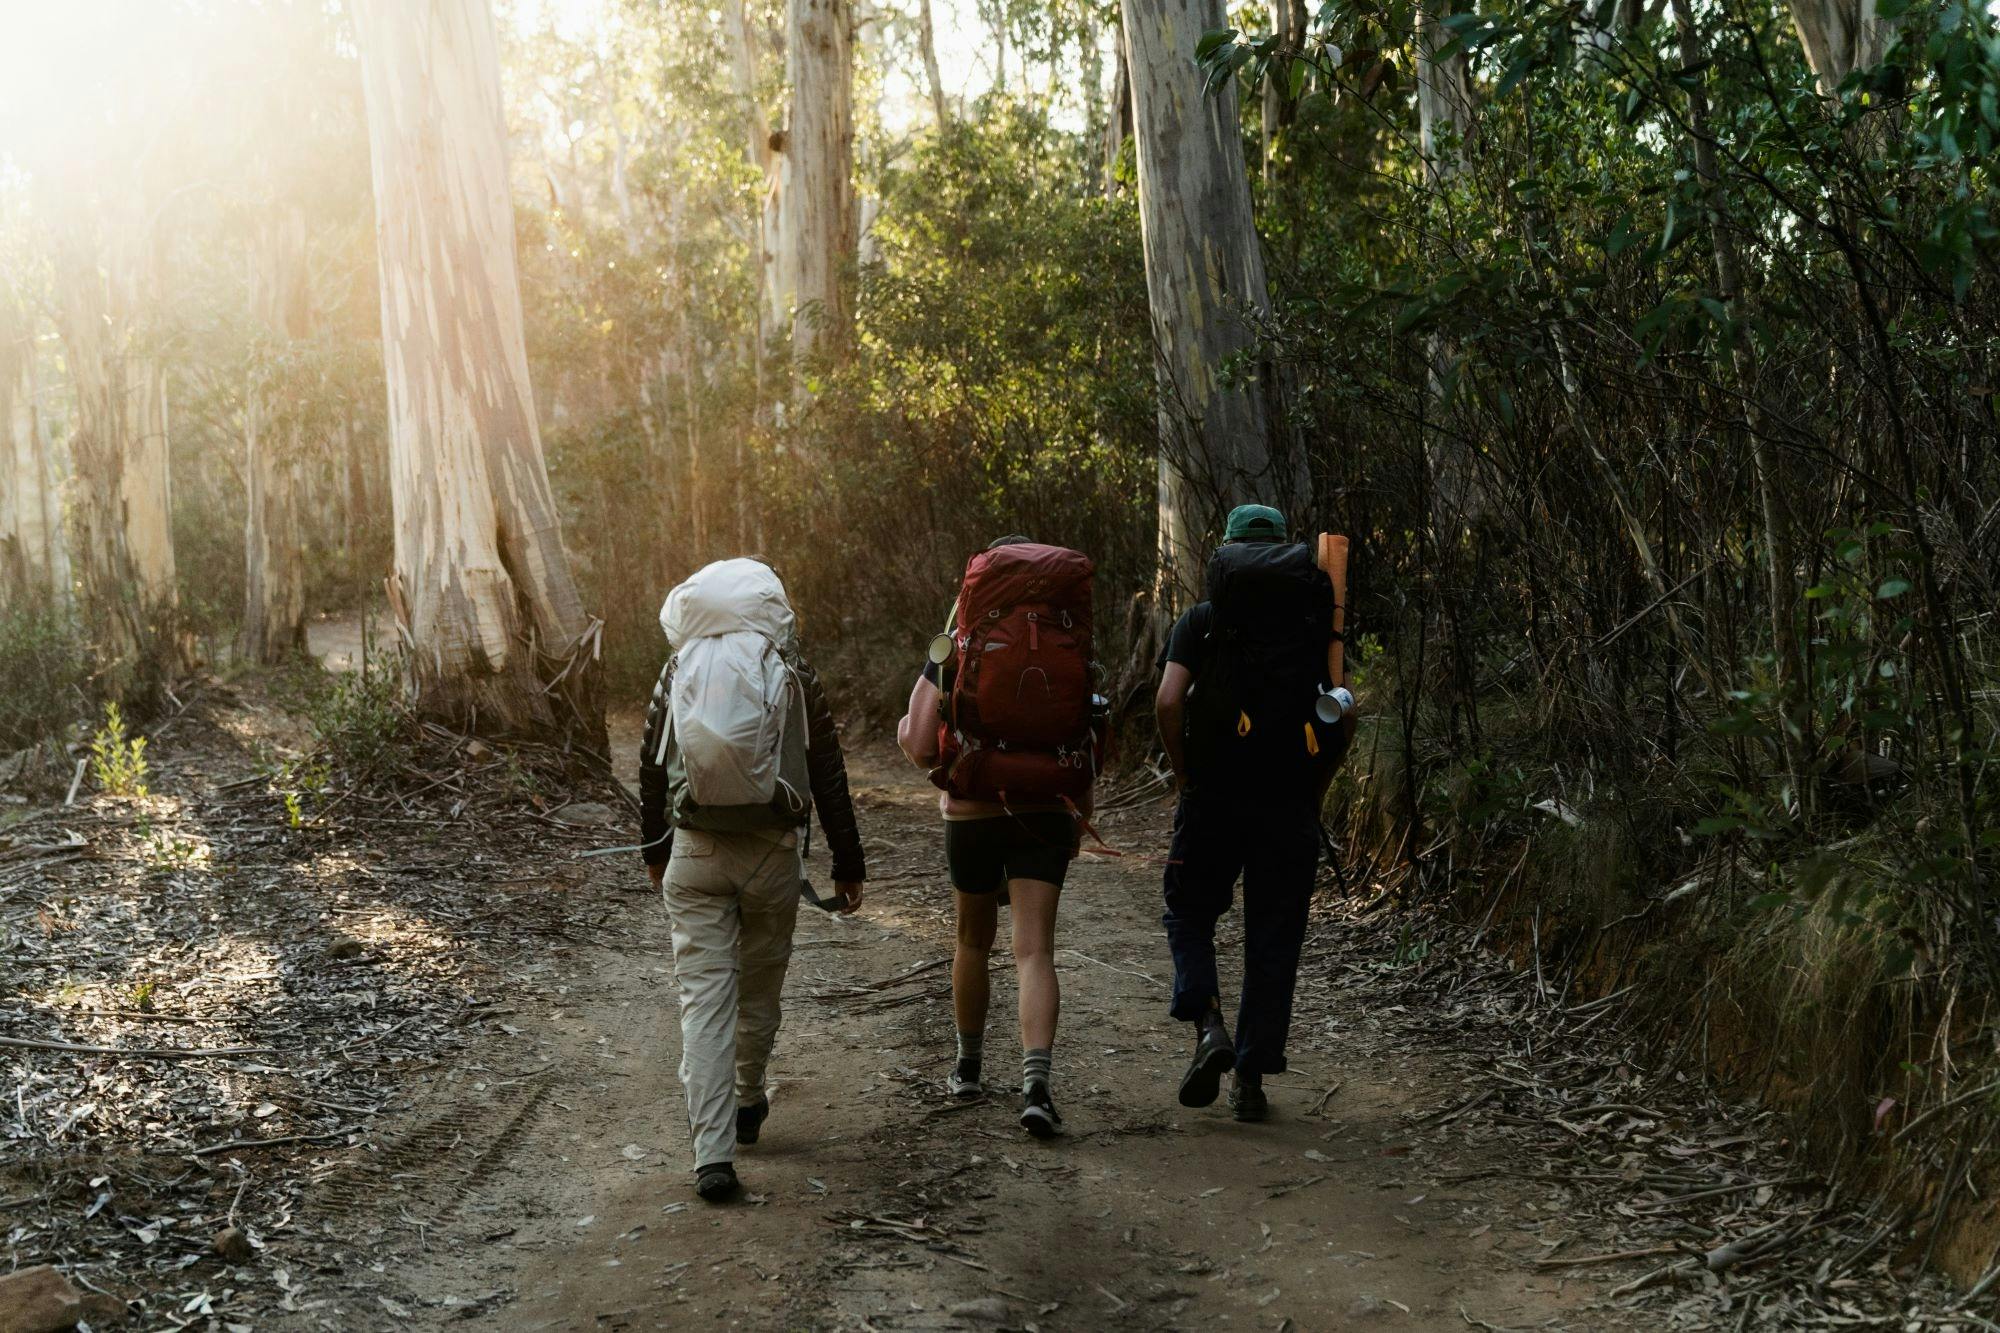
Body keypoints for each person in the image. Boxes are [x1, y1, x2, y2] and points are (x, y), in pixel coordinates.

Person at [639, 558, 865, 1201]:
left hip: (695, 851)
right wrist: (849, 865)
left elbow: (652, 764)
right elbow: (828, 772)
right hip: (773, 854)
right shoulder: (791, 670)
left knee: (703, 1000)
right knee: (760, 984)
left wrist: (655, 851)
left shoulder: (678, 667)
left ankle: (712, 1157)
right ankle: (746, 1099)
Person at [896, 535, 1101, 1139]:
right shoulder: (1069, 631)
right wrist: (1078, 812)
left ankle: (967, 1068)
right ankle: (1036, 1085)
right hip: (1049, 804)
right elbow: (1089, 732)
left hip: (973, 805)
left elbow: (916, 743)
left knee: (972, 940)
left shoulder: (959, 641)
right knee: (1034, 950)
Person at [1154, 505, 1351, 1122]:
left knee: (1189, 913)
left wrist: (1184, 772)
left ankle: (1207, 1021)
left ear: (1227, 555)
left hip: (1212, 795)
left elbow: (1166, 700)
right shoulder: (1316, 623)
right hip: (1287, 801)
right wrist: (1316, 788)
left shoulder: (1201, 622)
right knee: (1274, 935)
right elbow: (1344, 712)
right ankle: (1249, 1078)